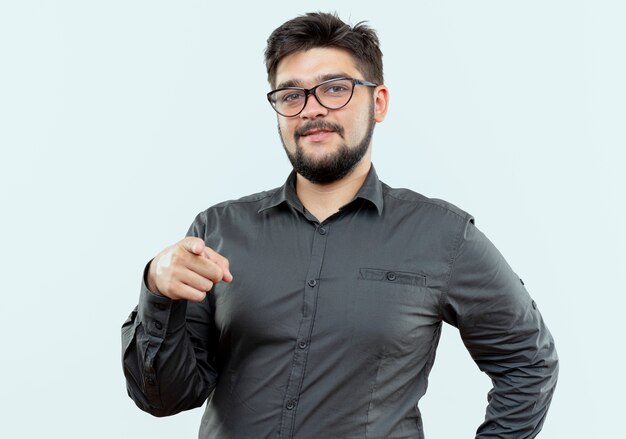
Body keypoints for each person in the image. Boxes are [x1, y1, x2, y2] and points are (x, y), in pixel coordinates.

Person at [121, 12, 558, 439]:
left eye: (335, 89)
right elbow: (164, 399)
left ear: (379, 102)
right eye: (291, 95)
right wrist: (156, 290)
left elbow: (528, 361)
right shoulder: (217, 230)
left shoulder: (443, 235)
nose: (311, 110)